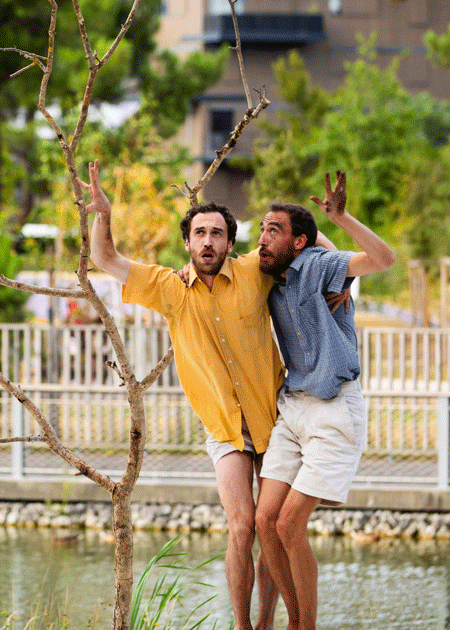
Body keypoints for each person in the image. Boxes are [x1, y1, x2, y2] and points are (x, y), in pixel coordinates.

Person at [83, 159, 294, 630]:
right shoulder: (169, 287)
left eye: (217, 233)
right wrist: (103, 215)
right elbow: (106, 259)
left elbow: (307, 248)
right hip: (222, 425)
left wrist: (315, 228)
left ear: (229, 242)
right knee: (241, 526)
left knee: (273, 528)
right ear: (187, 242)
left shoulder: (254, 272)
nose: (208, 241)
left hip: (276, 420)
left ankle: (266, 624)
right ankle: (242, 627)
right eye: (200, 233)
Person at [253, 171, 395, 630]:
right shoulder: (268, 277)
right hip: (293, 407)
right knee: (264, 521)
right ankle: (293, 622)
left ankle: (304, 627)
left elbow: (383, 258)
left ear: (299, 243)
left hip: (334, 407)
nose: (262, 238)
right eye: (261, 229)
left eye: (272, 230)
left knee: (290, 524)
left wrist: (340, 218)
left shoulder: (318, 265)